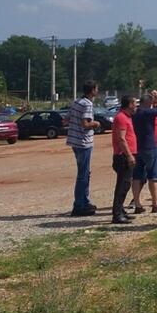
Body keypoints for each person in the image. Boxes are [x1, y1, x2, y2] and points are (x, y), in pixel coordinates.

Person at [132, 90, 157, 214]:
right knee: (153, 176)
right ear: (149, 103)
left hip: (138, 147)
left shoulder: (135, 113)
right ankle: (155, 203)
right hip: (150, 147)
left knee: (137, 176)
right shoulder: (148, 112)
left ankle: (137, 204)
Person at [66, 80, 100, 217]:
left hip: (74, 141)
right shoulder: (87, 104)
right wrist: (96, 123)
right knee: (83, 175)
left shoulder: (76, 102)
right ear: (92, 90)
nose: (97, 91)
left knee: (85, 173)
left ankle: (84, 201)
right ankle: (79, 205)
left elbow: (66, 118)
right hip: (83, 142)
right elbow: (86, 124)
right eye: (96, 89)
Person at [110, 96, 137, 224]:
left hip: (127, 155)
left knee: (125, 184)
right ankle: (117, 214)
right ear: (129, 104)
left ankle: (121, 210)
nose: (136, 106)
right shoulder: (121, 117)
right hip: (123, 156)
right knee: (122, 185)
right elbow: (121, 139)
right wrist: (129, 155)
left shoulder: (127, 117)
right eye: (134, 103)